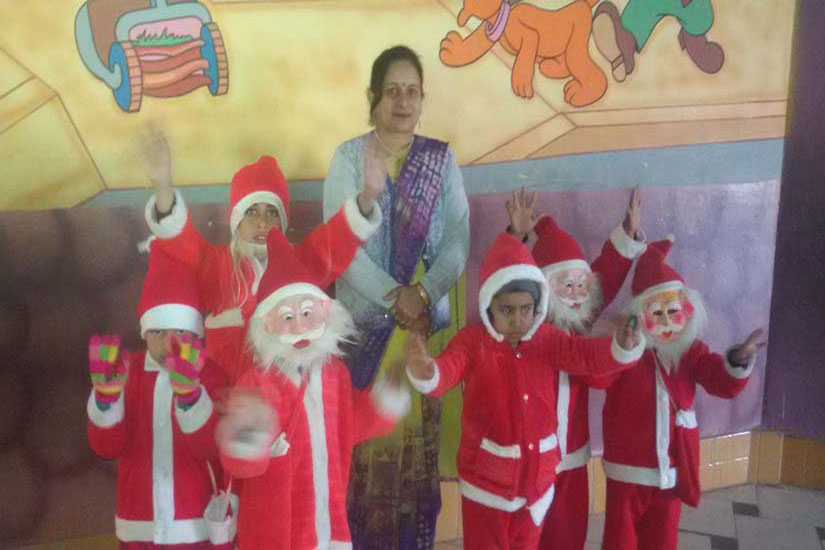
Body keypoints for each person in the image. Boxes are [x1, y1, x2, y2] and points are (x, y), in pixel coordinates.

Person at [404, 232, 645, 550]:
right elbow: (447, 370)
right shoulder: (473, 341)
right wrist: (428, 371)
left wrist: (621, 348)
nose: (518, 320)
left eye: (526, 309)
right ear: (489, 305)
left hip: (537, 487)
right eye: (507, 311)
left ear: (538, 306)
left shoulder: (547, 339)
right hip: (487, 487)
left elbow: (584, 356)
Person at [322, 45, 470, 549]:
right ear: (374, 97)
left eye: (412, 91)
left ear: (422, 98)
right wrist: (396, 298)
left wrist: (423, 293)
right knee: (364, 457)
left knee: (417, 471)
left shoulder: (440, 160)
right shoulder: (348, 158)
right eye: (392, 91)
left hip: (420, 335)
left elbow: (457, 239)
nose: (403, 101)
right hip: (365, 335)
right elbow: (340, 247)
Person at [217, 228, 410, 550]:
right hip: (275, 535)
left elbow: (349, 425)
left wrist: (385, 398)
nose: (300, 327)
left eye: (307, 313)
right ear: (266, 326)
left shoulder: (335, 375)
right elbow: (239, 465)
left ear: (324, 312)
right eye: (287, 318)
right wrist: (247, 434)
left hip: (328, 526)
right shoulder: (257, 382)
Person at [142, 130, 384, 382]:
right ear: (236, 221)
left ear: (282, 221)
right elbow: (181, 242)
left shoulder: (300, 264)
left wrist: (368, 194)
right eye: (251, 212)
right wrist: (162, 186)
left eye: (271, 213)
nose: (262, 222)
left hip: (286, 394)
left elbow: (338, 239)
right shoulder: (218, 265)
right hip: (227, 393)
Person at [506, 188, 646, 550]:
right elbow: (505, 280)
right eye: (566, 286)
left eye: (581, 286)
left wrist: (627, 235)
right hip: (528, 460)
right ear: (543, 287)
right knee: (523, 534)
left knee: (568, 535)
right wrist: (516, 236)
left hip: (571, 458)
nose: (575, 294)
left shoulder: (580, 324)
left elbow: (605, 278)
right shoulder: (523, 331)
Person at [600, 237, 762, 550]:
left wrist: (738, 361)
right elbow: (598, 379)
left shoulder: (691, 352)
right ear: (639, 315)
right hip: (627, 472)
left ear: (687, 311)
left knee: (662, 541)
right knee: (620, 541)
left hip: (673, 471)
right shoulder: (626, 351)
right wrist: (618, 349)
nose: (666, 323)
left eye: (673, 311)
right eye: (656, 313)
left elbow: (720, 381)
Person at [87, 247, 229, 549]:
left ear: (196, 334)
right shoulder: (126, 372)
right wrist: (105, 401)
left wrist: (190, 396)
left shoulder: (212, 374)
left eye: (180, 332)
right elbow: (106, 448)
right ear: (144, 333)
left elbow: (212, 449)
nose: (168, 344)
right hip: (138, 526)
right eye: (158, 332)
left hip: (196, 526)